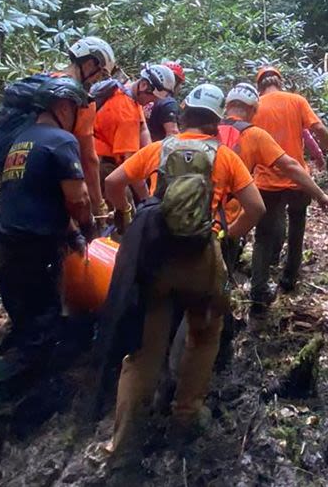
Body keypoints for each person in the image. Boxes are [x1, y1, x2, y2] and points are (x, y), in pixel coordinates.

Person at [101, 83, 265, 467]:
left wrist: (127, 216)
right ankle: (185, 416)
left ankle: (123, 444)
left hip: (157, 257)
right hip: (201, 257)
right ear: (215, 121)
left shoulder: (161, 149)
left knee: (144, 352)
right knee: (205, 333)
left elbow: (112, 183)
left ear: (186, 113)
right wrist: (225, 236)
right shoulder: (224, 156)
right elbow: (254, 207)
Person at [0, 77, 97, 415]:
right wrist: (87, 228)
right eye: (76, 110)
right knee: (42, 327)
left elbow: (38, 193)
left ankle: (8, 375)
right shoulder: (61, 141)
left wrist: (69, 231)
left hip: (3, 243)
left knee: (26, 319)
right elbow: (79, 197)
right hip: (32, 248)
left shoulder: (21, 140)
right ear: (62, 108)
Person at [249, 65, 328, 309]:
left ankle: (258, 288)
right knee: (297, 223)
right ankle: (289, 277)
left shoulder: (254, 106)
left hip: (266, 180)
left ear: (259, 86)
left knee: (263, 236)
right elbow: (318, 128)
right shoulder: (297, 101)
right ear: (280, 81)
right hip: (298, 179)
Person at [93, 63, 176, 230]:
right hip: (104, 167)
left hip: (98, 159)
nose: (152, 102)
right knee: (126, 218)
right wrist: (147, 200)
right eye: (151, 97)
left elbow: (143, 128)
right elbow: (131, 169)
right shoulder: (126, 115)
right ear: (144, 85)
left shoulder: (122, 92)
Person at [57, 37, 117, 219]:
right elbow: (89, 159)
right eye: (101, 72)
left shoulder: (43, 83)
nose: (99, 79)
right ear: (90, 64)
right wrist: (99, 205)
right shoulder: (83, 100)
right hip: (60, 179)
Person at [144, 61, 184, 142]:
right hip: (158, 150)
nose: (180, 88)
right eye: (180, 84)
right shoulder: (169, 103)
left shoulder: (146, 98)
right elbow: (173, 133)